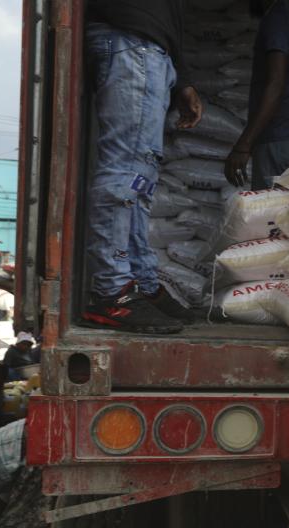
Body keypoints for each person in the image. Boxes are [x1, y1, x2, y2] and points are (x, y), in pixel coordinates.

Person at [82, 0, 204, 335]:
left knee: (142, 175)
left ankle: (140, 282)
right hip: (130, 39)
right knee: (126, 167)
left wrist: (182, 80)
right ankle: (112, 291)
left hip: (149, 47)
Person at [224, 0, 289, 190]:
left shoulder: (277, 19)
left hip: (275, 142)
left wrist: (243, 145)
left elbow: (276, 82)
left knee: (269, 217)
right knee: (286, 214)